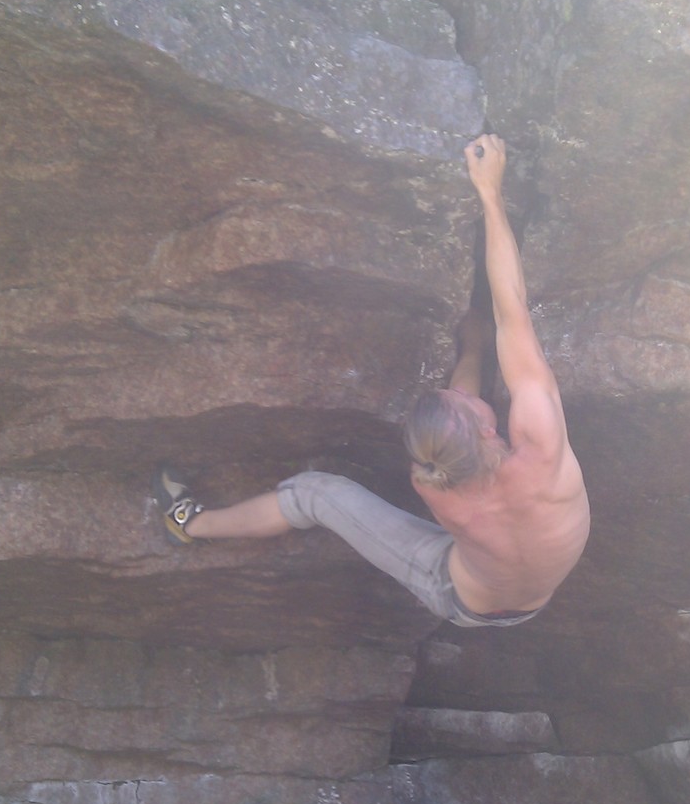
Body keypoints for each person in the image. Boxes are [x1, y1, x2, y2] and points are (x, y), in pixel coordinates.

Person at [156, 134, 590, 627]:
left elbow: (463, 416)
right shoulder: (542, 454)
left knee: (317, 495)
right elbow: (512, 313)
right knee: (327, 493)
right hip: (497, 597)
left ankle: (191, 523)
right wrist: (490, 196)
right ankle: (190, 524)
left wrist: (471, 344)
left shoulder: (435, 483)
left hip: (476, 596)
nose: (463, 390)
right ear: (487, 430)